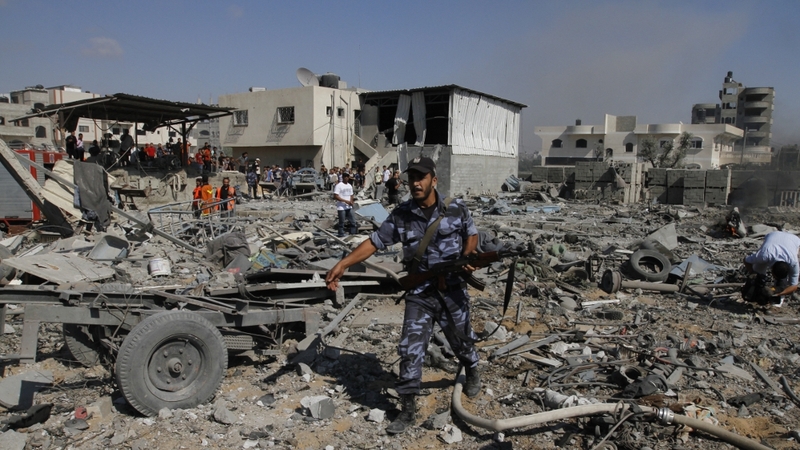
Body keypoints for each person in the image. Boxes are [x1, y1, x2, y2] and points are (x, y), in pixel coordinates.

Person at [325, 157, 481, 434]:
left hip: (452, 290)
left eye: (422, 177)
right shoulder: (402, 214)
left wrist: (467, 256)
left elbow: (472, 235)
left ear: (434, 180)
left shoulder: (456, 208)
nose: (416, 183)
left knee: (462, 340)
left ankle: (472, 369)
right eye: (412, 178)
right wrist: (343, 264)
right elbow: (374, 242)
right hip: (420, 292)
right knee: (410, 349)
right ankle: (407, 408)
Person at [744, 231, 800, 307]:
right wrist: (753, 273)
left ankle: (777, 304)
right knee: (757, 270)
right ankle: (755, 293)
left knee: (782, 283)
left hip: (794, 240)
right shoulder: (763, 256)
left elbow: (794, 286)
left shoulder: (793, 263)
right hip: (773, 237)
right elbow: (745, 260)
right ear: (772, 269)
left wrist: (777, 293)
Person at [333, 172, 357, 237]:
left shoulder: (349, 185)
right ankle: (341, 234)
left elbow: (351, 195)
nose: (346, 178)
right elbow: (335, 196)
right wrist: (345, 201)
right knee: (342, 222)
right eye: (344, 177)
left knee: (353, 221)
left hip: (349, 207)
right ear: (343, 177)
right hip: (341, 207)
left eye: (347, 176)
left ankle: (353, 233)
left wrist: (351, 201)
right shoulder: (339, 185)